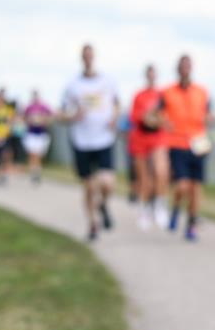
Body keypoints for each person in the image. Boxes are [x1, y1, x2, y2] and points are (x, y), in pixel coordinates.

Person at [61, 44, 120, 241]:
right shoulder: (73, 85)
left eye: (90, 55)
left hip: (103, 138)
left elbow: (117, 104)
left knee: (107, 183)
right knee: (88, 186)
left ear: (94, 57)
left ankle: (102, 203)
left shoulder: (107, 81)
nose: (88, 59)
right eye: (85, 56)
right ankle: (93, 224)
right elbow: (63, 112)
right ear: (81, 58)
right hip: (82, 141)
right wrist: (73, 116)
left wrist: (114, 118)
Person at [163, 54, 213, 241]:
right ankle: (176, 208)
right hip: (177, 143)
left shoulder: (201, 91)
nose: (185, 69)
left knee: (196, 188)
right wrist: (163, 121)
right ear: (178, 69)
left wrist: (210, 117)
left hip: (198, 143)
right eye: (182, 66)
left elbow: (209, 112)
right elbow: (157, 114)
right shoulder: (167, 92)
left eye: (188, 66)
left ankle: (191, 225)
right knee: (182, 186)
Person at [128, 64, 171, 230]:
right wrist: (147, 118)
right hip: (141, 139)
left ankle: (160, 205)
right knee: (145, 179)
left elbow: (165, 117)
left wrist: (157, 120)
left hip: (158, 138)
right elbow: (136, 117)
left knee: (161, 171)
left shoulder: (162, 95)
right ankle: (146, 210)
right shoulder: (139, 95)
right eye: (149, 74)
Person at [22, 90, 54, 184]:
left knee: (38, 155)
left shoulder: (44, 106)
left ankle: (37, 173)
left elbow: (51, 117)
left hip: (41, 134)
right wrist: (29, 121)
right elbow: (24, 118)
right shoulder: (28, 107)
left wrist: (44, 121)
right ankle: (33, 173)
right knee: (32, 154)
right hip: (31, 133)